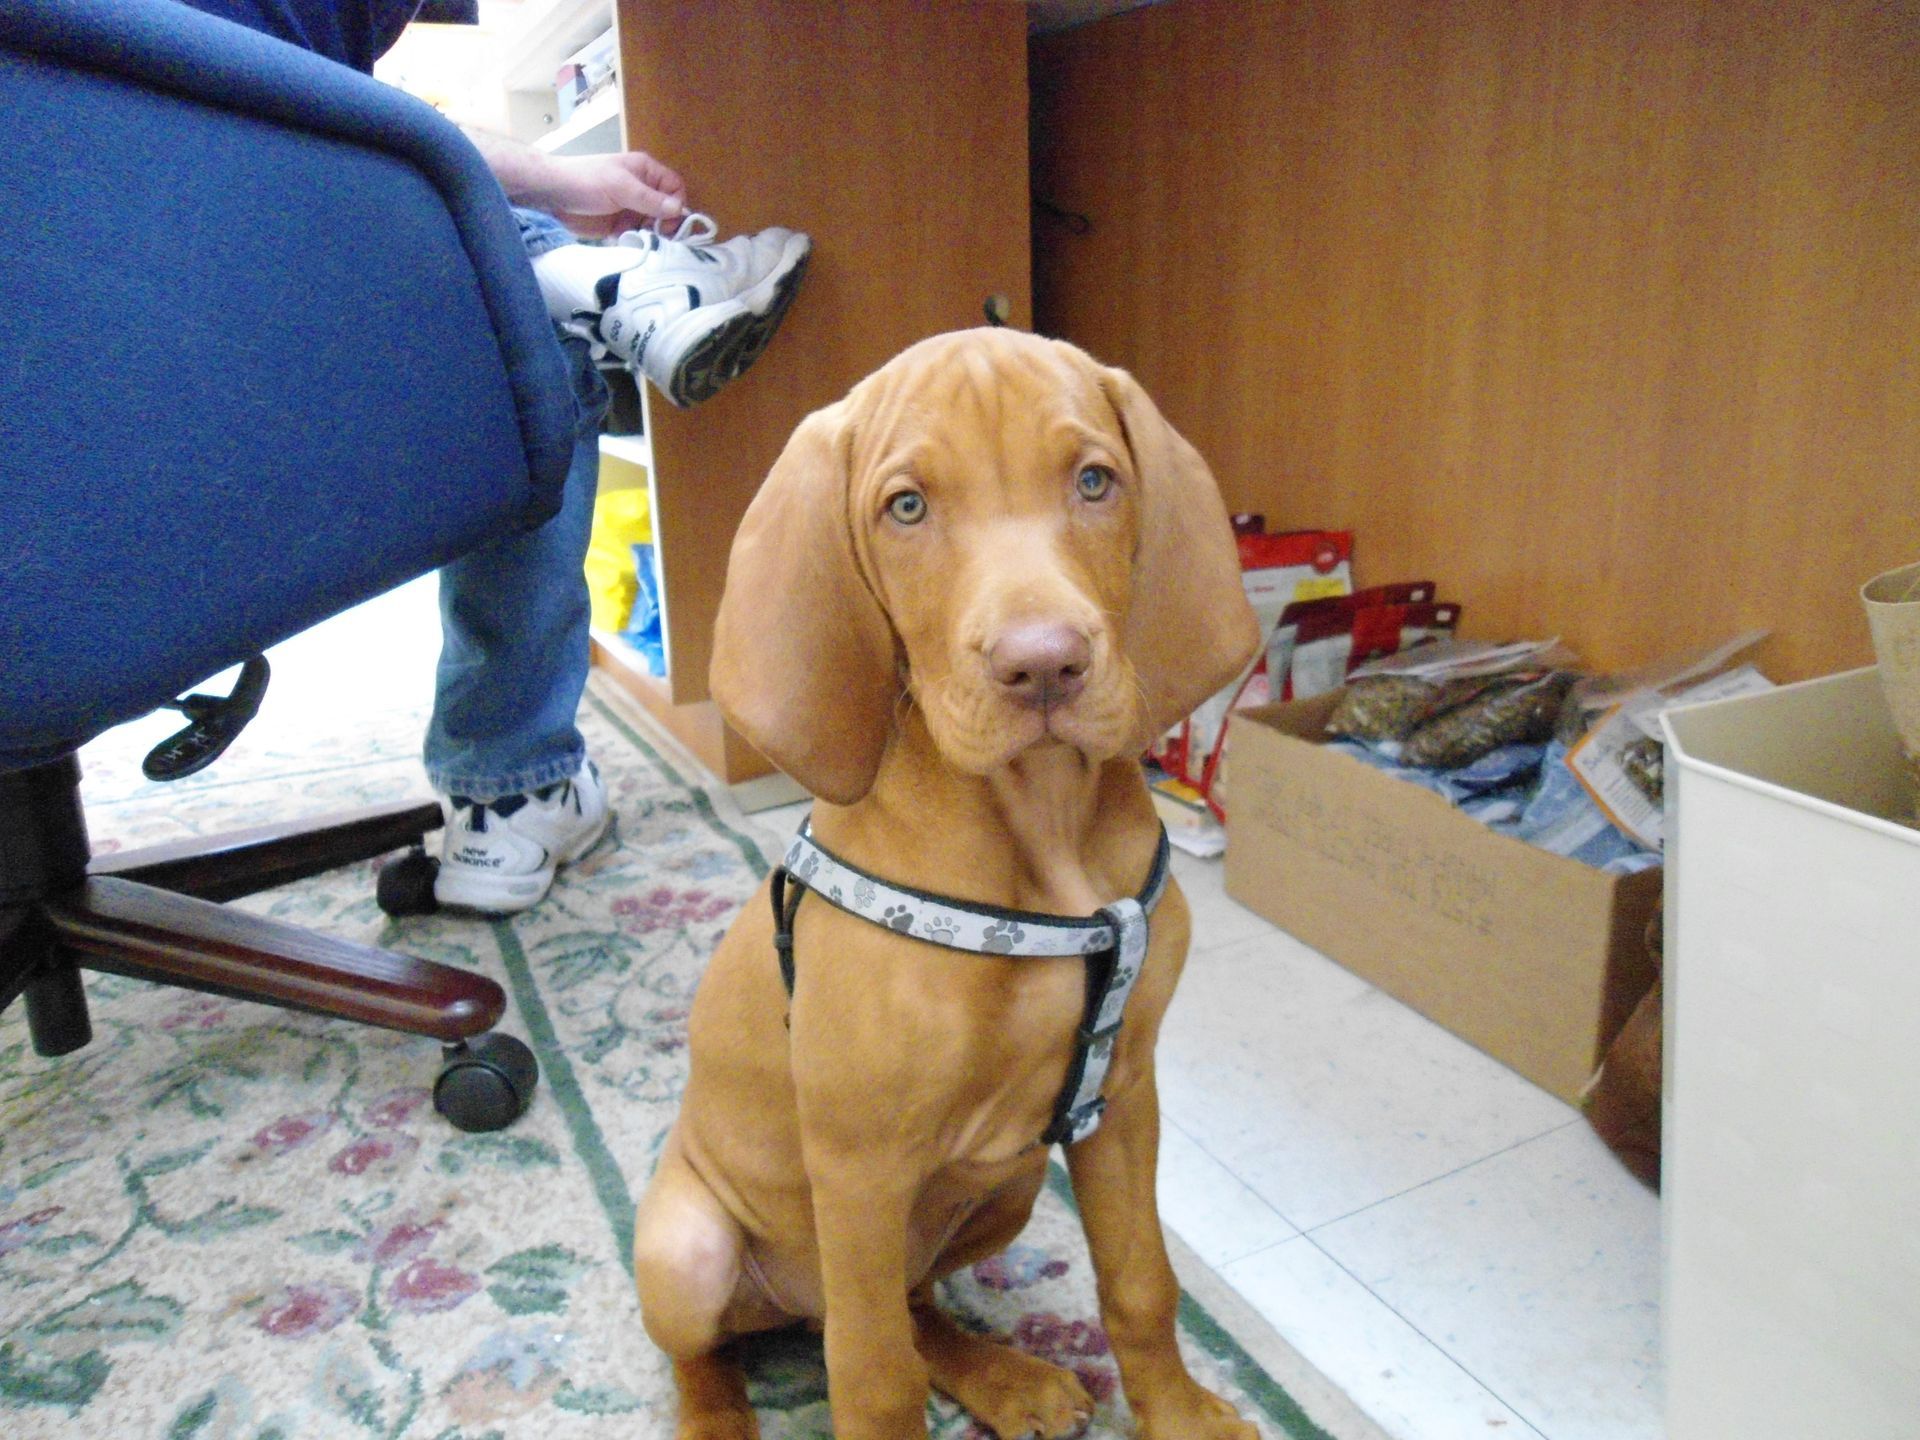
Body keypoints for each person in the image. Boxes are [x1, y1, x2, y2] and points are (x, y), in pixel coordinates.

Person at [178, 0, 811, 913]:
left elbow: (289, 106)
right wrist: (547, 199)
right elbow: (299, 111)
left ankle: (507, 802)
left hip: (89, 444)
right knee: (524, 362)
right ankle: (507, 792)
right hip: (202, 376)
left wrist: (552, 184)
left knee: (518, 348)